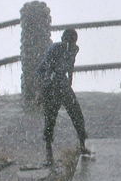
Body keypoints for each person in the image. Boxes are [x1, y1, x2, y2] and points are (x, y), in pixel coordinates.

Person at [37, 28, 90, 165]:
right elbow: (46, 70)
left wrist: (69, 83)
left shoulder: (74, 49)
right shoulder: (54, 49)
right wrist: (43, 92)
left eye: (72, 41)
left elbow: (71, 66)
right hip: (51, 85)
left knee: (76, 114)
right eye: (68, 41)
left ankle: (82, 145)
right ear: (62, 39)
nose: (70, 44)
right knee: (50, 118)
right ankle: (49, 153)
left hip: (63, 84)